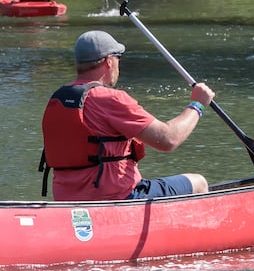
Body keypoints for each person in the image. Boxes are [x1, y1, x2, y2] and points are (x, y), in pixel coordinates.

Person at [39, 30, 215, 201]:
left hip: (67, 200)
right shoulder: (111, 98)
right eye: (118, 57)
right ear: (109, 61)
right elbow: (168, 139)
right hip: (119, 197)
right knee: (198, 182)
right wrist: (197, 104)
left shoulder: (58, 99)